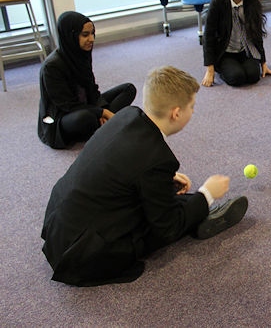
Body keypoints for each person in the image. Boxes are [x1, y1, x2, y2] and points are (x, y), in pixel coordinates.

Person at [41, 66, 249, 286]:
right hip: (83, 255)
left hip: (59, 226)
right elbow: (167, 228)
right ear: (176, 113)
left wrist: (164, 178)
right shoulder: (157, 157)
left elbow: (121, 163)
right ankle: (199, 212)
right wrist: (208, 193)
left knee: (168, 197)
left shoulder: (126, 115)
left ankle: (194, 208)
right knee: (171, 216)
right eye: (192, 107)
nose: (193, 112)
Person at [38, 11, 136, 149]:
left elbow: (91, 88)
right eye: (85, 35)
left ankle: (102, 125)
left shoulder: (81, 53)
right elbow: (67, 105)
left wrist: (99, 107)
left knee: (128, 89)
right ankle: (104, 123)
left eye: (92, 34)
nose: (91, 39)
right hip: (63, 116)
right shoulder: (52, 66)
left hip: (86, 105)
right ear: (70, 36)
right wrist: (102, 112)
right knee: (85, 118)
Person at [201, 0, 271, 87]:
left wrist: (263, 63)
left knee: (253, 76)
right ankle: (221, 68)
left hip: (245, 50)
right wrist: (210, 69)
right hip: (225, 51)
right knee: (236, 78)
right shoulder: (217, 2)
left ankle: (241, 65)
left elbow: (257, 33)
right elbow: (208, 36)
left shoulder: (252, 1)